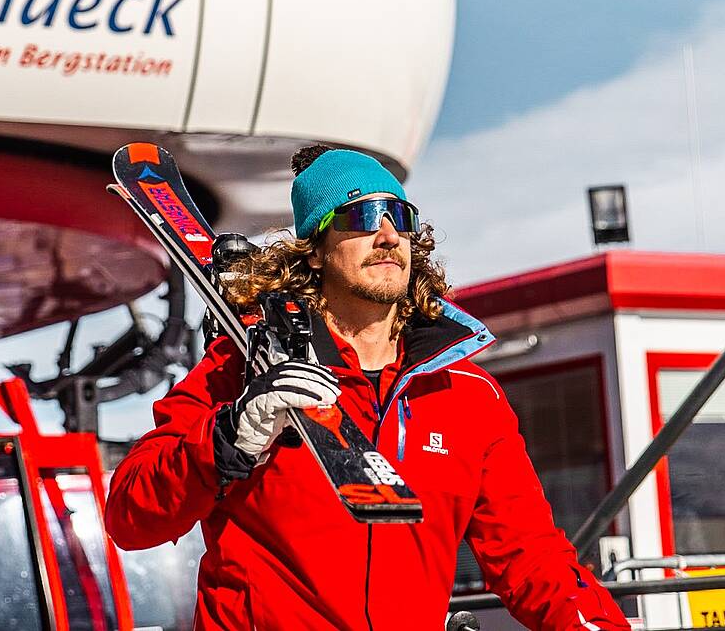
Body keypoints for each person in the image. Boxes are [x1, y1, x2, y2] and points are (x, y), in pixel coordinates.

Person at [104, 146, 630, 630]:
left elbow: (529, 556)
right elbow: (130, 517)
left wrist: (596, 624)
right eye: (359, 217)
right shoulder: (242, 368)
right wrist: (228, 440)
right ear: (314, 251)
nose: (387, 235)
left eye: (399, 217)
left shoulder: (468, 396)